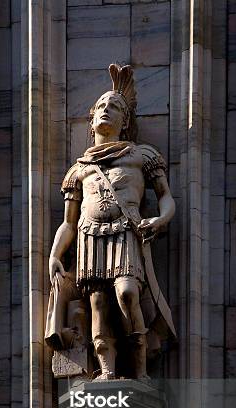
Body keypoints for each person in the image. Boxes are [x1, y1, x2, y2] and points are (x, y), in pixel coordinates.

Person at [46, 64, 176, 381]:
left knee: (127, 293)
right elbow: (68, 222)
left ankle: (141, 367)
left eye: (114, 106)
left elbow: (166, 197)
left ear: (125, 121)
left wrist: (160, 220)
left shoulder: (141, 155)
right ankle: (106, 371)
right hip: (90, 236)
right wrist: (54, 253)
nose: (106, 110)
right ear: (92, 121)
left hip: (124, 235)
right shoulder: (79, 169)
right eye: (101, 106)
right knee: (98, 305)